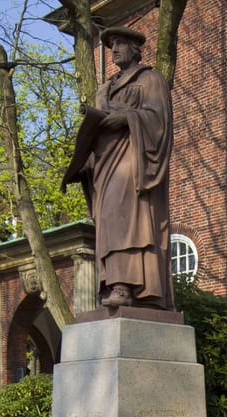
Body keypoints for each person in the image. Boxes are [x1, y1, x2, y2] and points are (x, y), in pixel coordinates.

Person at [63, 26, 174, 310]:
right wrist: (82, 165)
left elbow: (159, 120)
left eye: (120, 44)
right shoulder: (104, 90)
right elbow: (95, 132)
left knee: (126, 219)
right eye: (111, 45)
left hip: (132, 160)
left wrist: (126, 118)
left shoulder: (150, 80)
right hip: (104, 165)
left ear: (135, 49)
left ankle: (127, 286)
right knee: (109, 222)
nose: (114, 50)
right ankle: (113, 283)